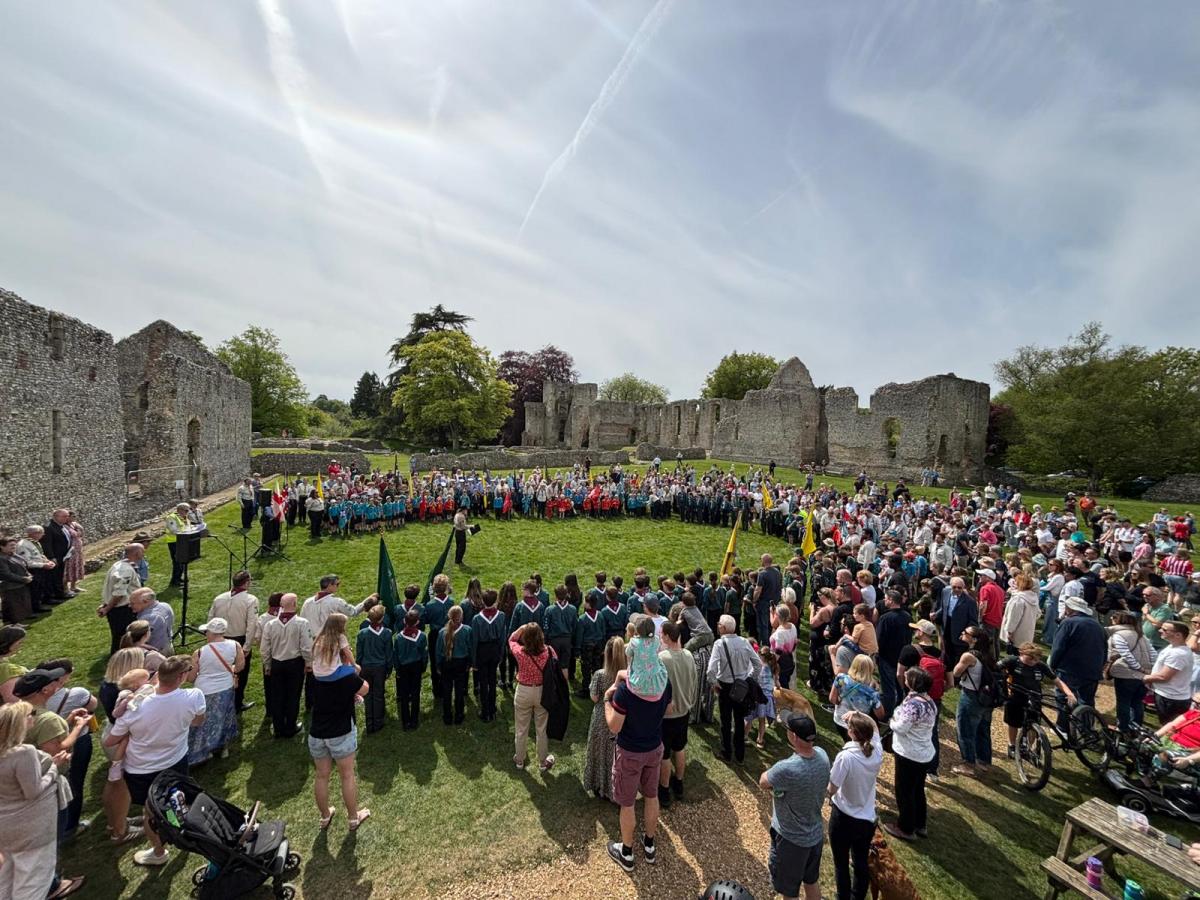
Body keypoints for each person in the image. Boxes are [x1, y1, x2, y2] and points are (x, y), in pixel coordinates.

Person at [104, 654, 207, 866]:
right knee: (177, 798)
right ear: (182, 676)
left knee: (150, 811)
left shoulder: (135, 706)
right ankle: (183, 830)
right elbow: (197, 721)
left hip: (142, 767)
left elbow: (110, 740)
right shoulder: (194, 696)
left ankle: (159, 852)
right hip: (176, 759)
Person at [0, 701, 86, 900]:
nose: (33, 717)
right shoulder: (23, 752)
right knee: (34, 881)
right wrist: (55, 767)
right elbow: (34, 791)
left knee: (8, 876)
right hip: (32, 826)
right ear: (19, 723)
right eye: (29, 715)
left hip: (6, 825)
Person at [603, 640, 673, 872]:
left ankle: (627, 852)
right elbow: (669, 709)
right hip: (654, 747)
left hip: (630, 751)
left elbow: (614, 726)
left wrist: (607, 700)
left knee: (628, 802)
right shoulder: (664, 682)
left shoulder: (625, 691)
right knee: (652, 796)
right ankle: (650, 845)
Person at [759, 711, 830, 900]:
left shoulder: (787, 768)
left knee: (789, 892)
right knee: (811, 882)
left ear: (794, 736)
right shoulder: (823, 755)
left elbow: (763, 781)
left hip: (791, 840)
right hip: (814, 835)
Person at [309, 657, 371, 831]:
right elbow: (365, 688)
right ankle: (353, 818)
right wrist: (352, 666)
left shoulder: (315, 673)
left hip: (318, 731)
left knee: (321, 776)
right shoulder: (346, 676)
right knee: (347, 775)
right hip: (341, 731)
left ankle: (325, 815)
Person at [827, 711, 884, 900]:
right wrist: (859, 715)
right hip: (866, 819)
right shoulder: (876, 751)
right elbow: (875, 728)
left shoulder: (846, 757)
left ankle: (842, 897)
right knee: (860, 862)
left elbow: (832, 788)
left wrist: (828, 794)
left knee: (841, 863)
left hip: (843, 817)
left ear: (851, 732)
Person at [41, 658, 99, 838]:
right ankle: (70, 826)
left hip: (42, 748)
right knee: (74, 783)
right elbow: (93, 705)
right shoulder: (77, 693)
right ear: (61, 677)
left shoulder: (32, 698)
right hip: (75, 742)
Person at [885, 667, 938, 841]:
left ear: (914, 683)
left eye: (909, 676)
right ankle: (920, 824)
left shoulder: (913, 705)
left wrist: (892, 721)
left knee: (904, 791)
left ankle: (906, 828)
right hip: (923, 753)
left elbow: (901, 727)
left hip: (909, 754)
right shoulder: (930, 702)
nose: (905, 676)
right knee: (917, 789)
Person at [998, 643, 1075, 760]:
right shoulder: (1012, 661)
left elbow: (1056, 680)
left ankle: (1029, 748)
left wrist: (1069, 693)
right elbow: (995, 668)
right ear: (1021, 653)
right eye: (1030, 658)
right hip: (1016, 695)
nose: (1033, 661)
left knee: (1033, 722)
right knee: (1013, 722)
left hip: (1035, 697)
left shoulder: (1041, 666)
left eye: (1036, 659)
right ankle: (1012, 745)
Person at [187, 617, 244, 764]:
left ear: (211, 633)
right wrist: (229, 670)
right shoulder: (235, 645)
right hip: (226, 687)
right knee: (223, 717)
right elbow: (239, 666)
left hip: (204, 691)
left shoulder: (199, 652)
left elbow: (191, 677)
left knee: (202, 721)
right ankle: (223, 747)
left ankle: (203, 751)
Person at [708, 614, 764, 763]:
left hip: (725, 686)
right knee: (739, 720)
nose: (717, 626)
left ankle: (726, 752)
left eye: (719, 624)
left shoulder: (719, 644)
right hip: (741, 686)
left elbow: (711, 670)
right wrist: (749, 679)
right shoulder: (744, 641)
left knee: (725, 721)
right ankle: (740, 755)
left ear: (724, 628)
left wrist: (714, 683)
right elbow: (758, 664)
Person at [258, 593, 313, 738]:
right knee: (293, 695)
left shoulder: (270, 624)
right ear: (294, 604)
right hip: (294, 664)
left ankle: (278, 728)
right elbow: (306, 647)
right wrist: (309, 662)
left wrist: (267, 665)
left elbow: (264, 648)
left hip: (276, 663)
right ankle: (290, 726)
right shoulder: (302, 623)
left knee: (277, 695)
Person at [1048, 596, 1106, 732]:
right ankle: (1086, 729)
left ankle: (1063, 727)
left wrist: (1052, 665)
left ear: (1069, 609)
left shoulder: (1068, 623)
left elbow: (1058, 647)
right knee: (1086, 701)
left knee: (1064, 698)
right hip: (1093, 669)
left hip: (1069, 668)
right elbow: (1105, 649)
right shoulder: (1098, 626)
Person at [208, 570, 260, 712]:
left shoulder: (219, 598)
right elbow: (252, 624)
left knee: (221, 669)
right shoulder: (250, 600)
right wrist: (247, 646)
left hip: (219, 637)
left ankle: (220, 700)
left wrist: (211, 639)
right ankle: (237, 702)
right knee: (239, 673)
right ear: (247, 583)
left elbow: (210, 619)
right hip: (239, 639)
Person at [509, 622, 556, 772]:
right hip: (542, 691)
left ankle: (519, 759)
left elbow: (511, 639)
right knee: (541, 729)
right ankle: (542, 762)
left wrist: (522, 628)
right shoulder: (549, 651)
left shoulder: (520, 652)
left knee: (521, 728)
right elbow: (555, 663)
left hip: (523, 691)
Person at [657, 621, 695, 807]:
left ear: (666, 636)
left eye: (661, 635)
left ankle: (664, 789)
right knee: (679, 748)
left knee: (664, 754)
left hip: (666, 714)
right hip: (684, 710)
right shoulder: (688, 655)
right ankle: (679, 782)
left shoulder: (662, 658)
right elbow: (694, 681)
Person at [585, 636, 627, 801]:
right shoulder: (627, 675)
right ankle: (615, 787)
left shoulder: (600, 675)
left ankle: (599, 784)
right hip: (620, 717)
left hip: (602, 717)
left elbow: (594, 697)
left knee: (599, 752)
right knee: (615, 754)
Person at [951, 626, 996, 777]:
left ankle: (968, 764)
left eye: (966, 633)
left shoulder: (968, 656)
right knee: (983, 729)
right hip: (987, 697)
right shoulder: (988, 655)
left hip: (971, 696)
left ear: (974, 640)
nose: (962, 633)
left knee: (965, 730)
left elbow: (956, 672)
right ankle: (983, 761)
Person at [1105, 611, 1153, 733]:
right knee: (1137, 702)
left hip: (1126, 674)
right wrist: (1151, 669)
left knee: (1123, 702)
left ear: (1118, 620)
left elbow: (1126, 654)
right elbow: (1153, 653)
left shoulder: (1118, 635)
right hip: (1144, 675)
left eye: (1113, 618)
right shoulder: (1141, 635)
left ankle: (1123, 728)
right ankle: (1137, 727)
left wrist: (1139, 668)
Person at [1144, 620, 1195, 722]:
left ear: (1178, 635)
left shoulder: (1178, 654)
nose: (1160, 630)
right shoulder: (1173, 647)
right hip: (1168, 695)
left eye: (1165, 629)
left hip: (1171, 698)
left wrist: (1143, 678)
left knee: (1169, 726)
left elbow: (1163, 677)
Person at [829, 654, 885, 743]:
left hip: (839, 720)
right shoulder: (871, 693)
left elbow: (832, 699)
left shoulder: (841, 678)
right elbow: (880, 715)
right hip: (858, 726)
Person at [99, 544, 142, 655]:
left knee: (118, 636)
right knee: (124, 638)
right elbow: (119, 594)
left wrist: (106, 605)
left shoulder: (118, 565)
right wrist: (107, 608)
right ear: (137, 553)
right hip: (123, 610)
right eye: (142, 552)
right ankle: (121, 659)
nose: (143, 555)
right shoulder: (126, 571)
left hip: (116, 609)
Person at [356, 605, 393, 733]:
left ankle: (369, 723)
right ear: (382, 618)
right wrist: (389, 669)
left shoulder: (362, 633)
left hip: (365, 667)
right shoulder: (387, 633)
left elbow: (359, 654)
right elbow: (389, 654)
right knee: (378, 694)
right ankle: (378, 723)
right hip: (380, 668)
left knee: (368, 695)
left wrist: (359, 668)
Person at [435, 605, 474, 725]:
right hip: (461, 663)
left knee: (446, 690)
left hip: (446, 663)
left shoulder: (442, 632)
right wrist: (470, 662)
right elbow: (470, 648)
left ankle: (447, 716)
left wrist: (438, 665)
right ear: (461, 617)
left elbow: (438, 651)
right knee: (459, 689)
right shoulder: (467, 630)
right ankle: (459, 715)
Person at [875, 590, 912, 715]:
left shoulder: (885, 618)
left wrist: (877, 654)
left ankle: (887, 713)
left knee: (888, 689)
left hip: (886, 658)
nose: (884, 601)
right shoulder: (907, 616)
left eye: (886, 598)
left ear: (891, 600)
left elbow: (879, 639)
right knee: (900, 686)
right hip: (902, 658)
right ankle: (899, 708)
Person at [472, 590, 506, 722]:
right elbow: (502, 637)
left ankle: (485, 711)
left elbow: (475, 641)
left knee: (483, 681)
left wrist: (474, 660)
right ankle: (492, 708)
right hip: (495, 650)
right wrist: (501, 654)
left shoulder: (477, 618)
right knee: (492, 680)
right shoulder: (501, 616)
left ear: (482, 601)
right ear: (496, 601)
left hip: (482, 651)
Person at [393, 609, 428, 730]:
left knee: (404, 694)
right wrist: (423, 667)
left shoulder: (398, 637)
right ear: (417, 622)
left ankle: (405, 721)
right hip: (416, 666)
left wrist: (397, 670)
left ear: (404, 621)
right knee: (415, 693)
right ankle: (414, 720)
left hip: (403, 668)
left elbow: (395, 655)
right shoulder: (422, 636)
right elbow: (424, 654)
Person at [933, 576, 977, 670]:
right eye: (954, 587)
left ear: (963, 587)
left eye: (959, 588)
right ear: (950, 586)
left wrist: (966, 634)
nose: (956, 589)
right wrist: (936, 614)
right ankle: (947, 672)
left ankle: (957, 673)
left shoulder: (970, 602)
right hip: (947, 628)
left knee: (958, 656)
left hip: (960, 632)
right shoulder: (945, 592)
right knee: (947, 653)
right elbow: (943, 608)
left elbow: (973, 621)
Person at [747, 646, 779, 748]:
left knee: (748, 718)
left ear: (760, 655)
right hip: (766, 698)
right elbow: (776, 683)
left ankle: (744, 736)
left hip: (756, 695)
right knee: (762, 720)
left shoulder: (757, 666)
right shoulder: (773, 667)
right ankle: (760, 740)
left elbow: (751, 679)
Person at [1000, 572, 1039, 654]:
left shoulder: (1018, 599)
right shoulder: (1033, 597)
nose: (1014, 583)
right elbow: (1038, 614)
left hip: (1017, 634)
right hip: (1027, 631)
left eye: (1016, 581)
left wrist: (1009, 632)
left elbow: (1013, 618)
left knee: (1015, 654)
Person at [129, 587, 174, 655]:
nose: (129, 606)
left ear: (145, 601)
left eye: (133, 603)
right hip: (168, 645)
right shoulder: (166, 605)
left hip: (155, 652)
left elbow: (139, 641)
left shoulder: (148, 618)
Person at [0, 535, 34, 625]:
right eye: (11, 545)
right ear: (2, 547)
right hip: (10, 586)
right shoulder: (1, 558)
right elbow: (6, 574)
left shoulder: (14, 555)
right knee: (13, 606)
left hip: (20, 584)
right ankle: (13, 624)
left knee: (20, 605)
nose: (14, 547)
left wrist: (28, 574)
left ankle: (15, 623)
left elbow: (23, 565)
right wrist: (23, 579)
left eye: (14, 545)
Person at [162, 502, 194, 587]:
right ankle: (174, 581)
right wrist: (186, 532)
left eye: (188, 511)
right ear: (180, 510)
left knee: (183, 561)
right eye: (186, 510)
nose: (187, 512)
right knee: (177, 562)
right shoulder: (171, 517)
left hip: (183, 541)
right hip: (174, 542)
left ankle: (179, 578)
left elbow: (187, 527)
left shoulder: (184, 517)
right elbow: (173, 530)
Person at [754, 554, 783, 645]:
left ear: (764, 561)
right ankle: (772, 642)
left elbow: (758, 590)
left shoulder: (762, 574)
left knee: (763, 625)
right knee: (772, 623)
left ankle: (765, 645)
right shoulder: (778, 572)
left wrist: (754, 600)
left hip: (764, 603)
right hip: (775, 602)